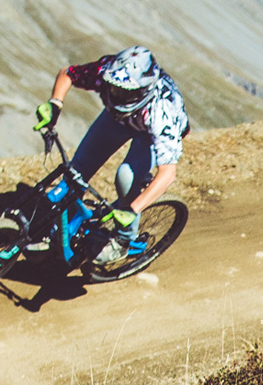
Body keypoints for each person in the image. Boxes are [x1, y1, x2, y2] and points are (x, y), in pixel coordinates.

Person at [31, 46, 190, 263]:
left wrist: (133, 210)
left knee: (125, 177)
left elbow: (168, 173)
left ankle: (124, 239)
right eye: (115, 89)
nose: (117, 95)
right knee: (75, 173)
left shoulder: (162, 112)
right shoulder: (106, 71)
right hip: (120, 120)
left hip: (151, 131)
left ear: (143, 90)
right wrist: (55, 104)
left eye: (126, 92)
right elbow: (68, 74)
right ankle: (67, 227)